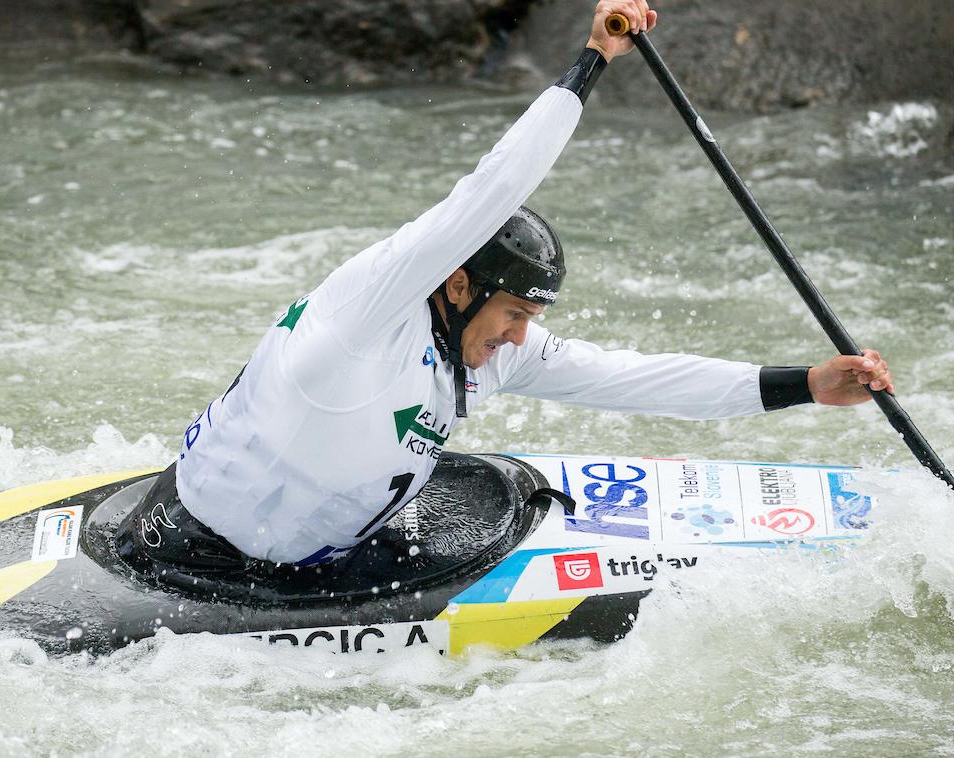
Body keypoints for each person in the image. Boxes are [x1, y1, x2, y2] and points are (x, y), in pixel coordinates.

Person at [116, 0, 894, 574]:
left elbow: (631, 376)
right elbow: (488, 192)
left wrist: (808, 386)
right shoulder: (367, 312)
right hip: (195, 558)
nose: (522, 335)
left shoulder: (488, 347)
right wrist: (590, 63)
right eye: (515, 311)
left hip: (322, 541)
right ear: (457, 284)